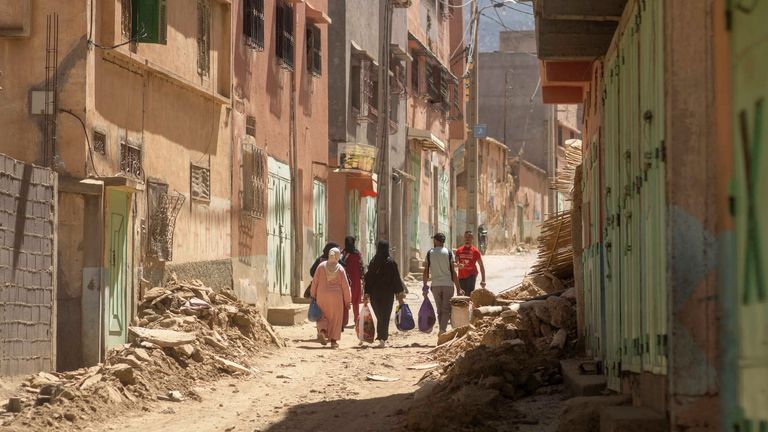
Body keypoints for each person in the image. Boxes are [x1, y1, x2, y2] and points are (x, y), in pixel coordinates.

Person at [363, 240, 405, 348]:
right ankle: (382, 338)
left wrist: (367, 292)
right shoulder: (391, 262)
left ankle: (381, 336)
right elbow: (396, 278)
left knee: (380, 316)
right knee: (385, 316)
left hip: (375, 294)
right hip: (387, 294)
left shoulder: (373, 261)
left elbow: (368, 278)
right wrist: (399, 293)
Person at [310, 248, 351, 349]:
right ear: (337, 256)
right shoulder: (340, 269)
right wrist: (348, 301)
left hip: (322, 296)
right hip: (336, 298)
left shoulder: (321, 266)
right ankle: (333, 341)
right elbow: (345, 286)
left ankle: (322, 331)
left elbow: (315, 282)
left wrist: (313, 294)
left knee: (322, 315)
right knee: (335, 319)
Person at [422, 233, 462, 335]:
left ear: (436, 241)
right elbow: (453, 272)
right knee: (446, 309)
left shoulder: (430, 253)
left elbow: (426, 271)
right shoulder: (448, 252)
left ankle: (442, 329)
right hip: (448, 285)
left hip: (435, 285)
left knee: (439, 310)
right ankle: (442, 330)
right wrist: (458, 288)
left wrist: (425, 285)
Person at [455, 230, 487, 297]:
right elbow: (456, 263)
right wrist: (458, 265)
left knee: (469, 295)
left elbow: (481, 265)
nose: (467, 238)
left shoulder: (475, 251)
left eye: (469, 237)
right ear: (464, 238)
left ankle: (469, 306)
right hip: (461, 276)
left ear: (472, 238)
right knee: (461, 296)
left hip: (471, 275)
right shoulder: (459, 250)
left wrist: (483, 280)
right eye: (466, 237)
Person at [341, 236, 365, 323]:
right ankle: (356, 319)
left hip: (347, 279)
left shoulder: (343, 253)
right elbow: (361, 267)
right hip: (353, 280)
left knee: (346, 299)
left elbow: (341, 264)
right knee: (354, 300)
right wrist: (362, 277)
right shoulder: (357, 253)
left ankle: (347, 320)